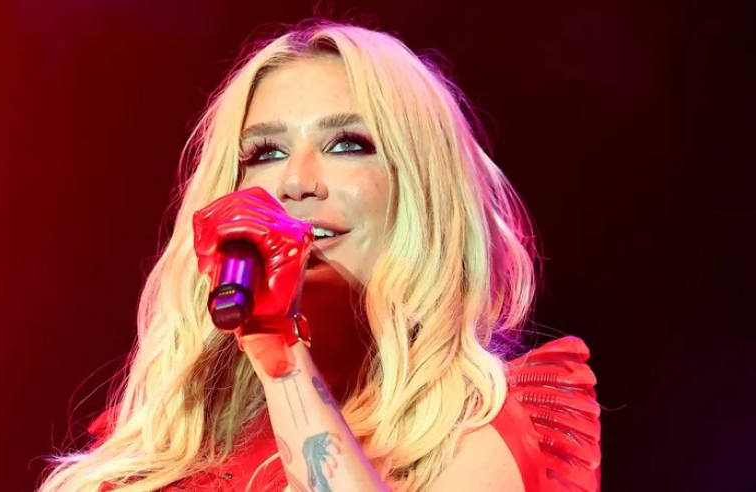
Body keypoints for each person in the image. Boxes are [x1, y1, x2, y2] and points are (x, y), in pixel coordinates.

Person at [38, 20, 600, 492]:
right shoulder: (163, 440)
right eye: (266, 152)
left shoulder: (491, 422)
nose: (296, 181)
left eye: (348, 144)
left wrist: (276, 344)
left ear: (422, 189)